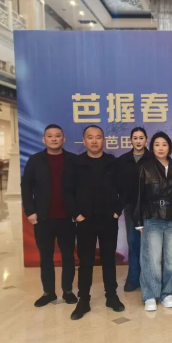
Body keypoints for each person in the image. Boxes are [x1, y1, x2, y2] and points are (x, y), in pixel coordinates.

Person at [63, 125, 124, 320]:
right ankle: (84, 300)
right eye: (90, 137)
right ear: (84, 140)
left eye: (98, 137)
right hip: (85, 221)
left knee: (108, 260)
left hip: (108, 220)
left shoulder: (113, 163)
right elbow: (67, 191)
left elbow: (125, 189)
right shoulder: (76, 163)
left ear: (103, 140)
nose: (94, 141)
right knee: (86, 261)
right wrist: (77, 215)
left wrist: (117, 211)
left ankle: (111, 296)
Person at [21, 124, 77, 307]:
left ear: (63, 139)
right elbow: (26, 187)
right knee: (46, 257)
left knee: (68, 256)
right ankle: (49, 292)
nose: (54, 139)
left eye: (57, 135)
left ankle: (67, 291)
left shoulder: (73, 160)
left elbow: (81, 188)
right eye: (50, 136)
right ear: (44, 139)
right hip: (43, 218)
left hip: (68, 218)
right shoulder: (35, 160)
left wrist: (78, 212)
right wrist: (30, 211)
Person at [134, 131, 172, 311]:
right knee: (152, 259)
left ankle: (167, 292)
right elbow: (138, 195)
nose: (160, 148)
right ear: (152, 147)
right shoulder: (145, 167)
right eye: (157, 145)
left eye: (164, 144)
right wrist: (138, 221)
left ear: (170, 147)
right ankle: (150, 295)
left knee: (171, 259)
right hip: (152, 217)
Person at [116, 127, 153, 293]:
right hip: (131, 207)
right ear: (131, 140)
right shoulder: (123, 160)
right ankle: (133, 279)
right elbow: (118, 185)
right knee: (133, 242)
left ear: (146, 140)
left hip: (150, 207)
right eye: (135, 138)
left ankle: (149, 278)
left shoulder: (152, 158)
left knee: (150, 244)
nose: (138, 141)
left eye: (141, 138)